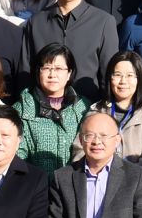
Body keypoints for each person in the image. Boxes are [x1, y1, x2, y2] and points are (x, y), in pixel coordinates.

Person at [26, 0, 120, 102]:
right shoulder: (37, 22)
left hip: (88, 107)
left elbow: (109, 75)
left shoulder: (103, 22)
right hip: (42, 107)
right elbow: (26, 71)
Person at [91, 52, 142, 187]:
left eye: (130, 75)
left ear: (139, 79)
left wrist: (125, 175)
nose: (123, 81)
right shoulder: (96, 112)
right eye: (117, 75)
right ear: (109, 78)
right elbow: (81, 150)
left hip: (136, 189)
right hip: (98, 186)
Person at [12, 43, 90, 173]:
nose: (52, 74)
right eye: (47, 68)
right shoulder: (21, 109)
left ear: (69, 73)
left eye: (59, 69)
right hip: (36, 183)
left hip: (76, 183)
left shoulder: (83, 107)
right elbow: (18, 155)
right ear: (38, 72)